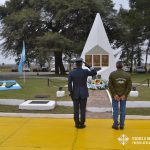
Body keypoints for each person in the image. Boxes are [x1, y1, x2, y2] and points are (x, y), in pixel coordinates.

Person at [68, 58, 97, 129]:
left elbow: (69, 84)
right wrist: (89, 66)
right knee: (83, 109)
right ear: (81, 64)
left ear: (76, 64)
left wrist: (71, 92)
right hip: (83, 93)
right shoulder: (85, 71)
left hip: (75, 93)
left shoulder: (72, 73)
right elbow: (94, 72)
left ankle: (77, 123)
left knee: (76, 109)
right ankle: (82, 123)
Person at [108, 61, 132, 130]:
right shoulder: (127, 75)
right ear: (122, 66)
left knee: (115, 110)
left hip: (115, 96)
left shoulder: (112, 74)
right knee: (123, 110)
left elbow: (110, 85)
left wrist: (115, 94)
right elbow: (129, 86)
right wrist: (124, 95)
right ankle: (121, 125)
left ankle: (115, 125)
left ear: (116, 66)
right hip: (123, 96)